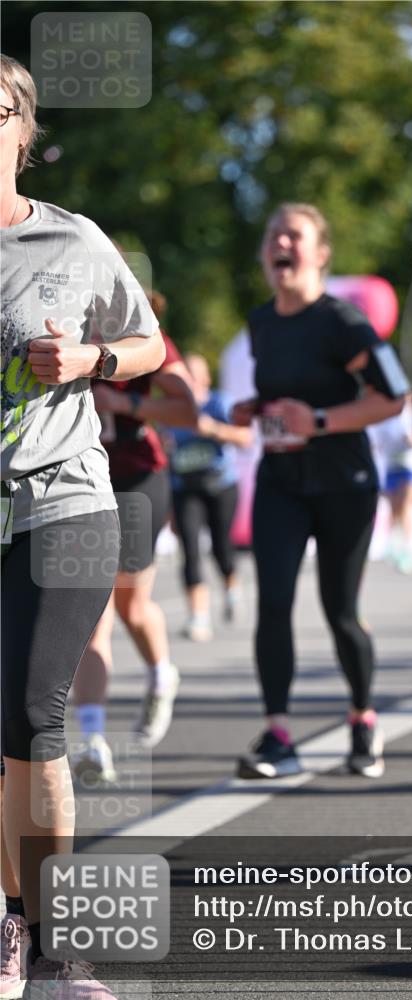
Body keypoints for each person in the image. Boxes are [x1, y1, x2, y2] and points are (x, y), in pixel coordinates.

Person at [0, 54, 165, 994]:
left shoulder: (73, 240)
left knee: (36, 716)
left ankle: (59, 942)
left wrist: (93, 357)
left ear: (23, 130)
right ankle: (17, 921)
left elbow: (149, 345)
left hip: (63, 501)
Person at [232, 203, 406, 780]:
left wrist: (321, 421)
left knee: (341, 612)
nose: (281, 243)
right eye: (272, 234)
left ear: (321, 253)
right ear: (263, 253)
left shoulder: (344, 322)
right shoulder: (261, 322)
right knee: (273, 603)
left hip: (343, 484)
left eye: (295, 235)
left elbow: (393, 396)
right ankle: (278, 734)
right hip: (282, 482)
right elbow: (287, 389)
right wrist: (258, 409)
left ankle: (362, 718)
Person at [70, 290, 197, 785]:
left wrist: (124, 401)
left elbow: (189, 410)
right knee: (91, 613)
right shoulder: (59, 337)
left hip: (139, 482)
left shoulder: (147, 341)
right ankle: (94, 742)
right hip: (83, 483)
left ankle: (162, 671)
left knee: (131, 605)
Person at [169, 352, 252, 641]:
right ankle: (199, 617)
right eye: (183, 375)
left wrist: (213, 429)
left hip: (220, 486)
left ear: (205, 378)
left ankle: (231, 586)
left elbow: (246, 438)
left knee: (221, 548)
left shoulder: (220, 403)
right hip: (185, 487)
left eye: (193, 374)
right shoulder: (170, 410)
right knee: (190, 550)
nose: (188, 380)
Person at [367, 394, 412, 574]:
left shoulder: (407, 412)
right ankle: (395, 547)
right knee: (394, 512)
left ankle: (409, 549)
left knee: (406, 508)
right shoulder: (380, 417)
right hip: (391, 467)